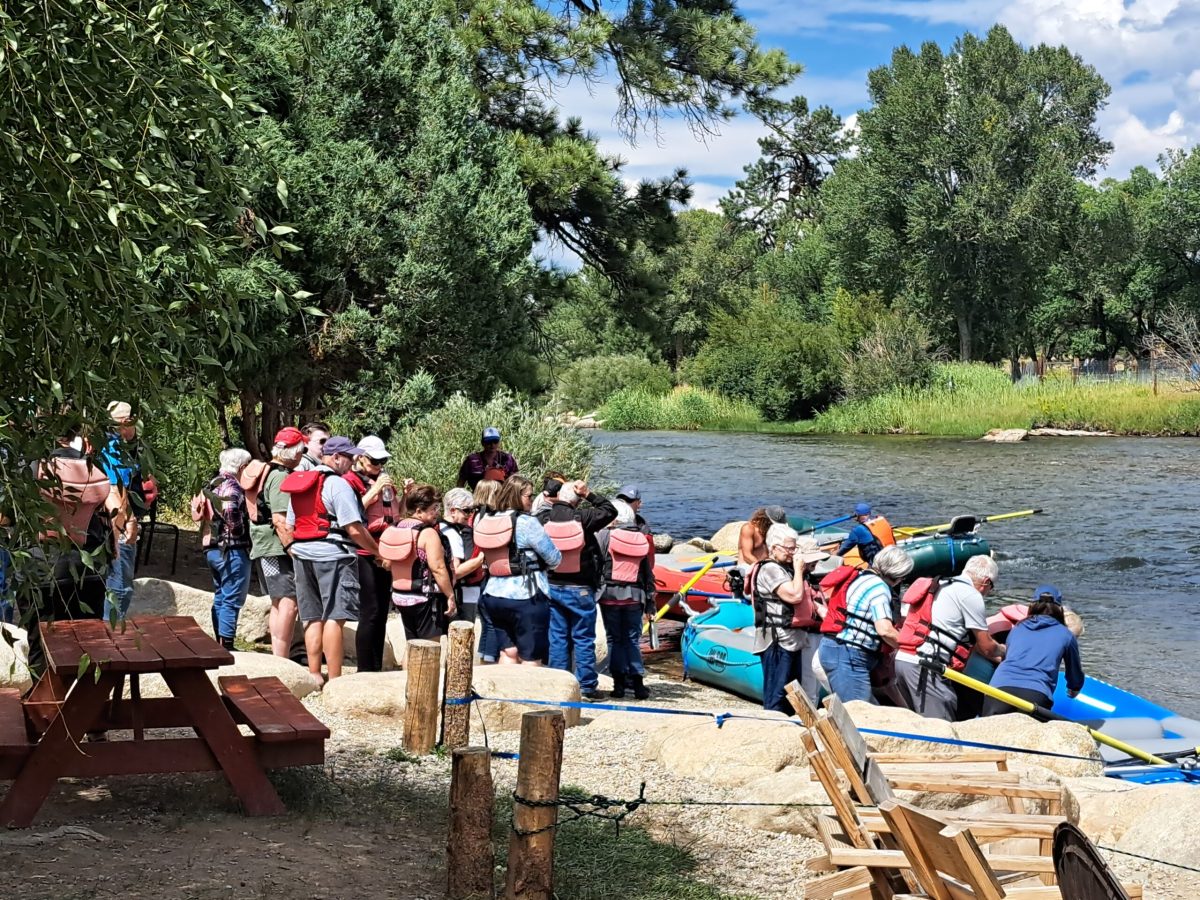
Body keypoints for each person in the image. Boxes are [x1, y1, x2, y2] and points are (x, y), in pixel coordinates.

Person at [283, 435, 382, 682]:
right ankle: (337, 680)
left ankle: (315, 674)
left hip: (303, 555)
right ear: (336, 457)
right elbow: (354, 528)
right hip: (334, 556)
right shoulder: (338, 484)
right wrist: (377, 552)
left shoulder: (302, 482)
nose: (352, 462)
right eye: (349, 457)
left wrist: (292, 549)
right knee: (334, 618)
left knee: (312, 616)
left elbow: (289, 524)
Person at [894, 555, 1005, 720]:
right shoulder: (970, 595)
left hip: (902, 660)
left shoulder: (940, 584)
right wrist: (1003, 649)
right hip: (925, 667)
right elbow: (987, 647)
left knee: (918, 722)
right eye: (992, 588)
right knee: (942, 726)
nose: (989, 592)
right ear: (986, 582)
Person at [537, 478, 618, 700]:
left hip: (552, 585)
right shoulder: (583, 518)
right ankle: (586, 688)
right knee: (583, 638)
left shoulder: (543, 518)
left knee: (557, 637)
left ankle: (559, 686)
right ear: (576, 501)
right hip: (581, 588)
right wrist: (588, 494)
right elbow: (610, 511)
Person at [475, 475, 560, 665]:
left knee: (507, 652)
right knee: (531, 656)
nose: (532, 500)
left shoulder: (485, 520)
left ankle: (505, 693)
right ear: (517, 496)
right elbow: (554, 558)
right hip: (526, 596)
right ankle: (529, 694)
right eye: (529, 496)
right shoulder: (526, 522)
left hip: (493, 595)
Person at [818, 545, 912, 704]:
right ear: (896, 574)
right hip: (848, 655)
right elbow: (885, 630)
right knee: (859, 712)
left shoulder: (861, 577)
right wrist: (910, 648)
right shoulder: (879, 588)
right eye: (903, 577)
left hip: (836, 649)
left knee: (867, 707)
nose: (902, 580)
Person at [749, 527, 829, 712]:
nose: (794, 553)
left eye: (794, 549)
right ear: (774, 547)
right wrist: (799, 570)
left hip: (793, 640)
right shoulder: (769, 569)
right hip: (777, 640)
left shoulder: (785, 568)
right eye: (790, 549)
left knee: (793, 692)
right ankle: (774, 727)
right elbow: (794, 596)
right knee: (777, 693)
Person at [342, 435, 403, 671]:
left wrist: (405, 494)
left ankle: (376, 665)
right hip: (364, 552)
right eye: (374, 460)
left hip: (386, 551)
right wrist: (375, 488)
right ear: (360, 457)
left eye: (381, 461)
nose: (378, 466)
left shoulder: (385, 482)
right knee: (370, 611)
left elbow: (396, 514)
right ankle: (365, 668)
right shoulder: (349, 481)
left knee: (382, 611)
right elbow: (352, 511)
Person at [247, 427, 305, 658]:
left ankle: (279, 656)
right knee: (288, 602)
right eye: (301, 451)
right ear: (294, 452)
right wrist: (293, 550)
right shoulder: (281, 476)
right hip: (275, 549)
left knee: (279, 601)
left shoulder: (266, 469)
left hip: (264, 547)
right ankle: (281, 660)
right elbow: (280, 520)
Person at [982, 585, 1084, 716]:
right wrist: (1074, 687)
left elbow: (1007, 657)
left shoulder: (1018, 627)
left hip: (998, 689)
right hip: (1035, 693)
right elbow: (1074, 671)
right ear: (1059, 609)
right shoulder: (1066, 634)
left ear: (1033, 605)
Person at [381, 484, 456, 640]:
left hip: (400, 596)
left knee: (411, 643)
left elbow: (386, 563)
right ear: (419, 510)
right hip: (424, 598)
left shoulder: (396, 527)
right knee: (430, 645)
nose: (437, 512)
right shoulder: (428, 533)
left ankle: (407, 666)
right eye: (433, 508)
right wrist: (450, 595)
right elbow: (438, 568)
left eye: (438, 508)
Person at [596, 504, 656, 699]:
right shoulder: (641, 537)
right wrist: (650, 601)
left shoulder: (605, 536)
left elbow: (596, 563)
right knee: (632, 640)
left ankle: (619, 686)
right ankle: (638, 685)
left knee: (614, 639)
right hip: (635, 596)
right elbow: (647, 572)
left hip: (609, 596)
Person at [97, 401, 146, 622]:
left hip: (104, 526)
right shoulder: (114, 448)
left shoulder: (102, 445)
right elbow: (117, 489)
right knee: (120, 587)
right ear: (126, 422)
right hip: (117, 527)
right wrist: (130, 522)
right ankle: (112, 640)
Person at [201, 448, 254, 649]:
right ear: (242, 467)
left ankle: (219, 641)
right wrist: (241, 530)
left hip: (212, 548)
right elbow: (231, 511)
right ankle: (227, 644)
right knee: (232, 597)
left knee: (221, 595)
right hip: (231, 549)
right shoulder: (233, 487)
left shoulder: (213, 483)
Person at [442, 488, 486, 623]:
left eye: (472, 510)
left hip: (461, 591)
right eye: (467, 510)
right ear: (453, 510)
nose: (470, 514)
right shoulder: (451, 533)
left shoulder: (440, 527)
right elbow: (456, 572)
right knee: (463, 632)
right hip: (460, 592)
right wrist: (480, 560)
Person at [738, 506, 786, 572]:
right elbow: (747, 556)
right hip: (747, 566)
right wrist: (762, 568)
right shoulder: (749, 528)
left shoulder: (771, 531)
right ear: (766, 521)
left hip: (766, 565)